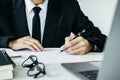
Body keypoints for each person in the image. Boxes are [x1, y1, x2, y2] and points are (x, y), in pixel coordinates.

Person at [0, 0, 106, 55]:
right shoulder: (3, 4)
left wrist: (90, 44)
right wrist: (10, 43)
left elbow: (100, 37)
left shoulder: (68, 4)